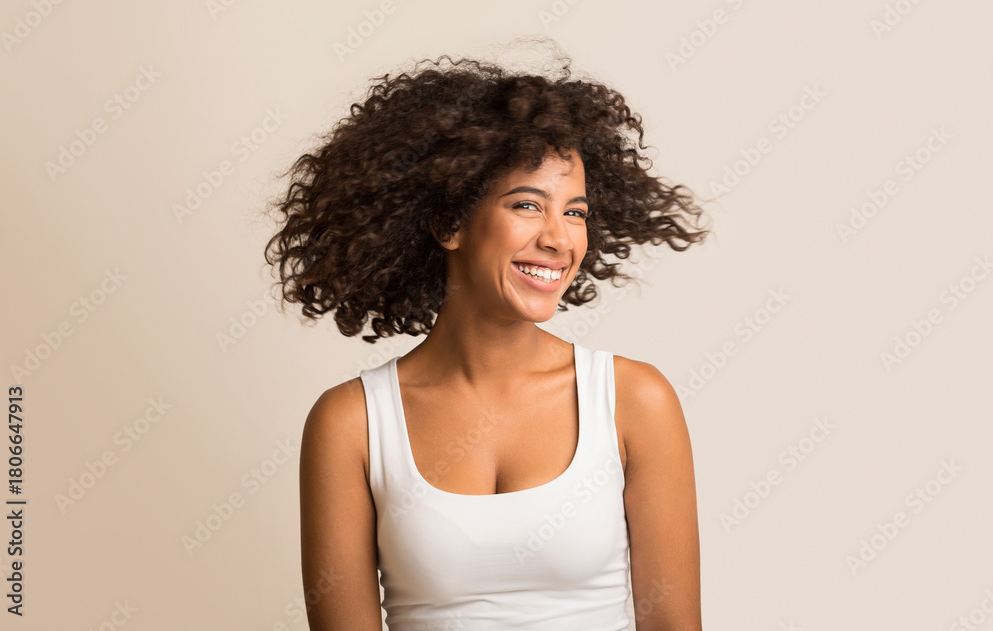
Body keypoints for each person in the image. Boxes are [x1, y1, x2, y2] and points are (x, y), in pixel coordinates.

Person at [264, 39, 709, 631]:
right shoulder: (351, 424)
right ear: (449, 222)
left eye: (574, 211)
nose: (559, 239)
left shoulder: (634, 402)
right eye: (528, 205)